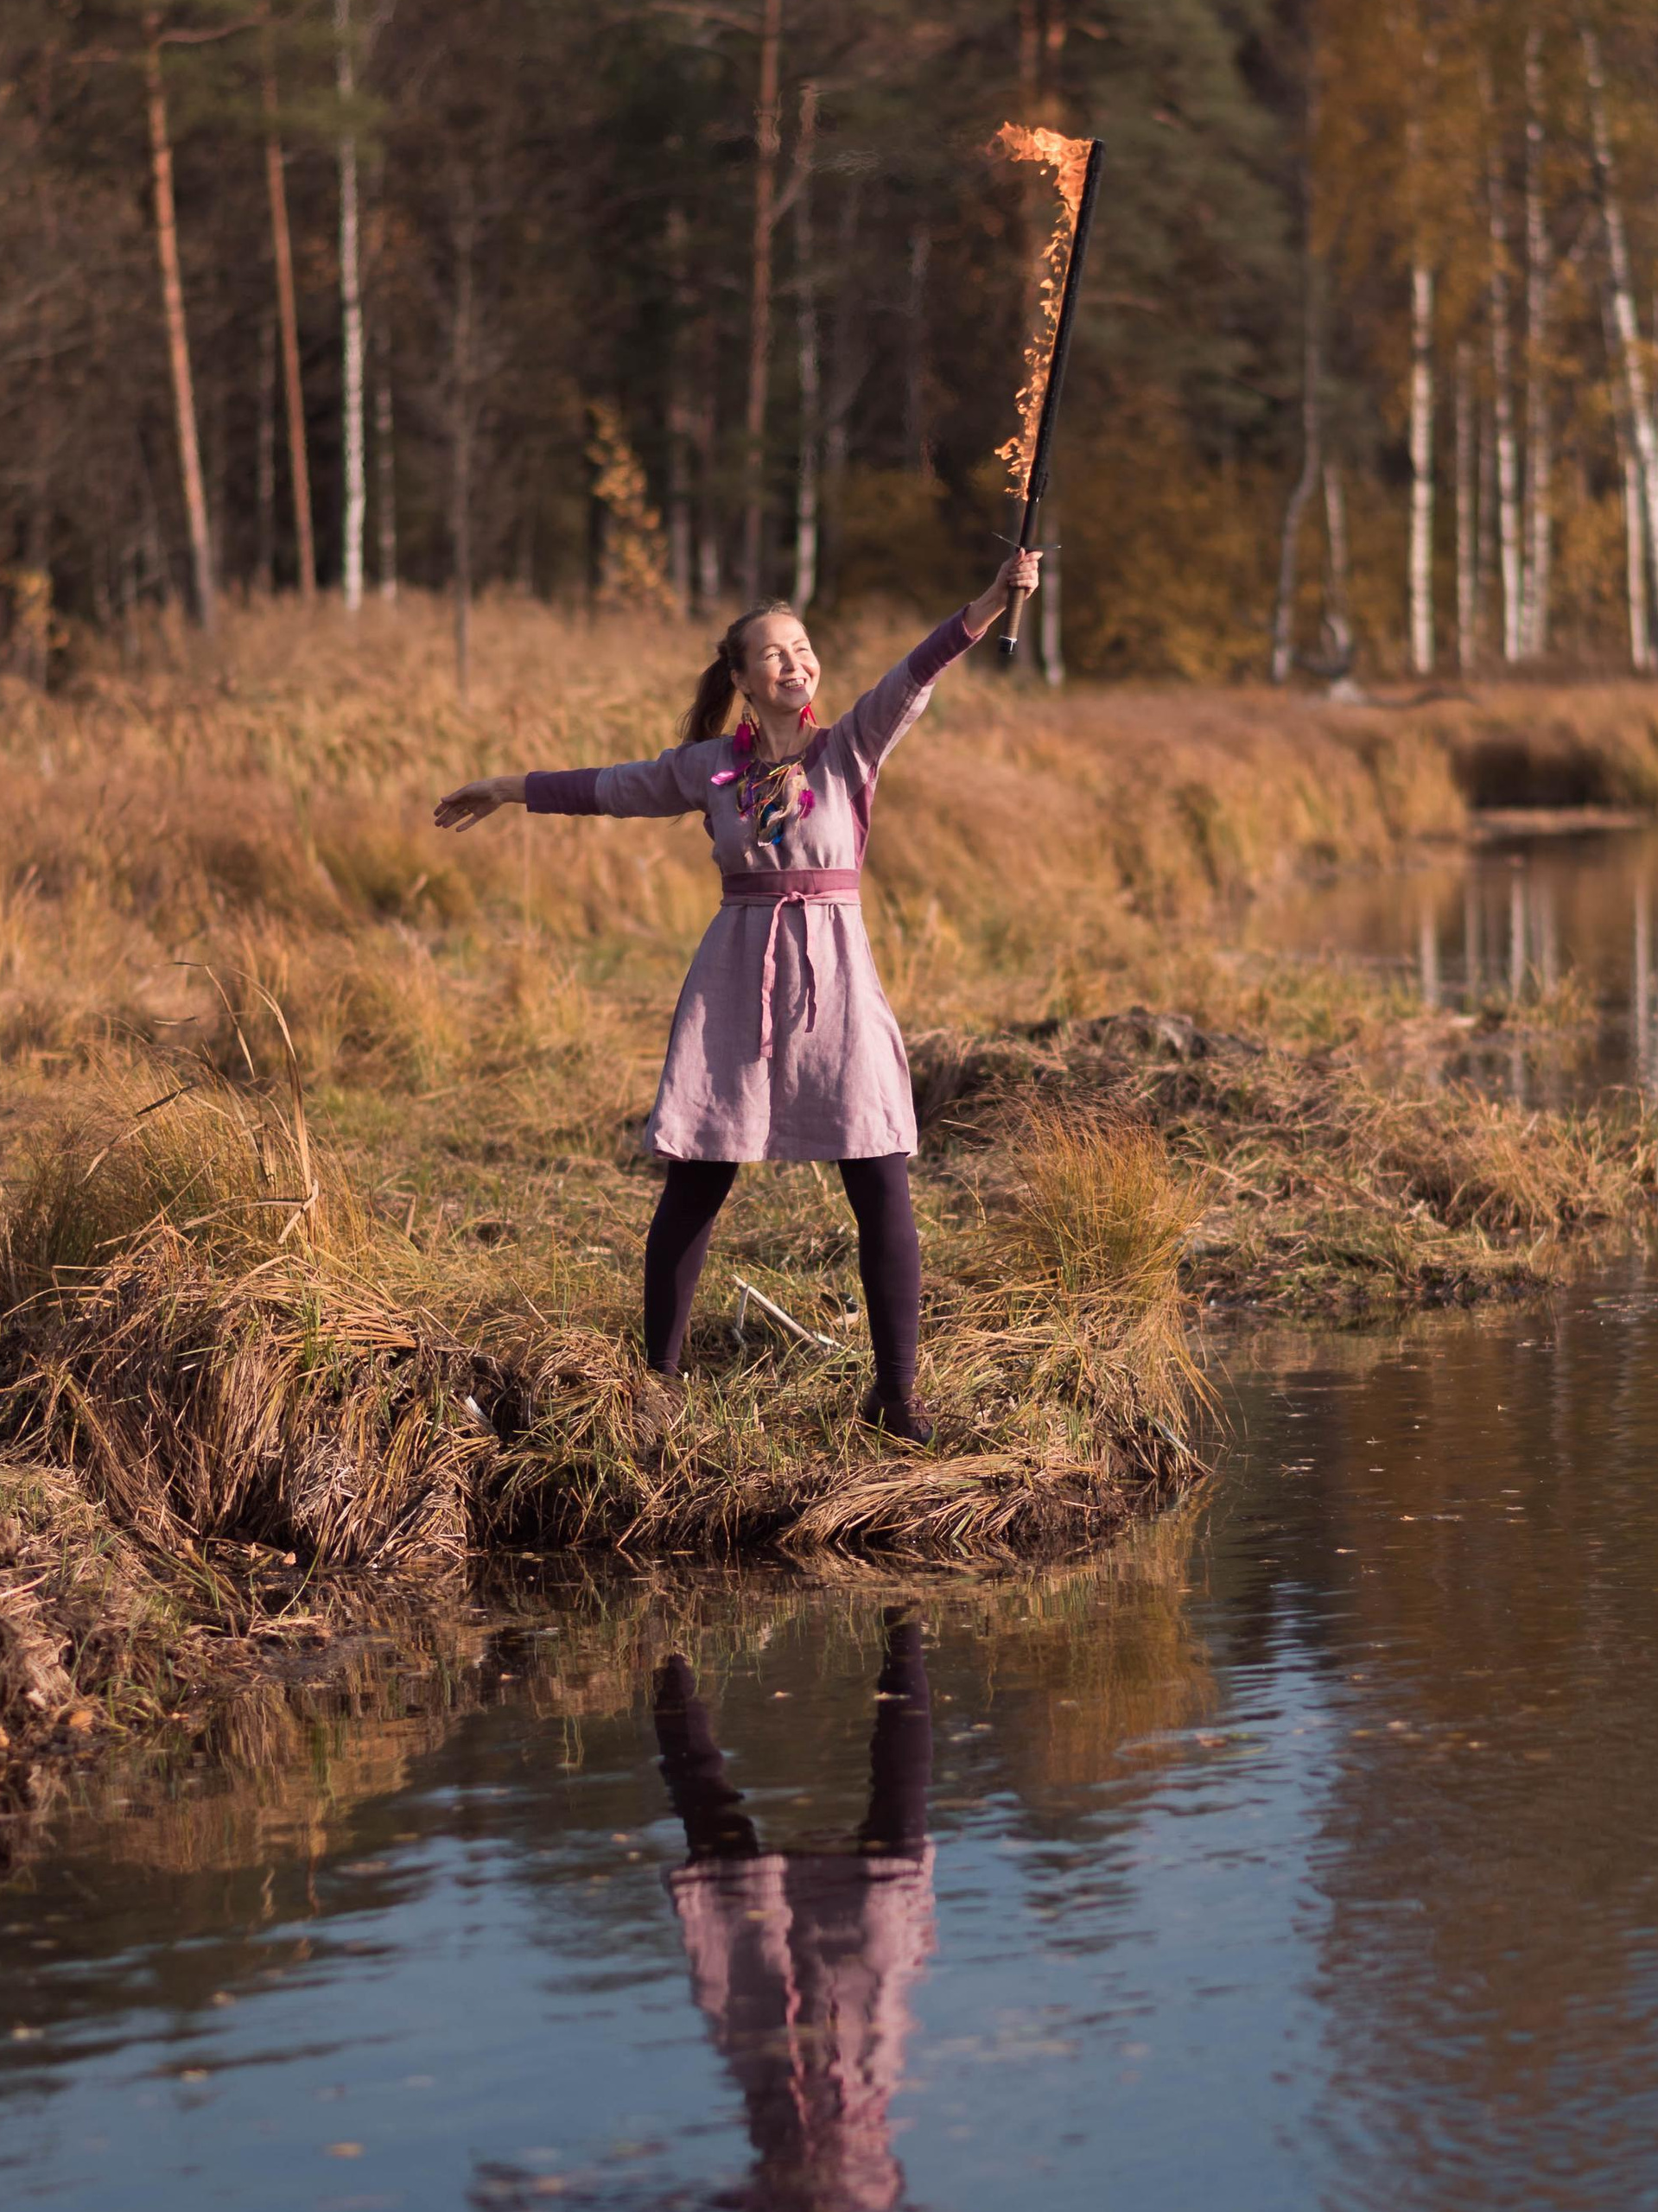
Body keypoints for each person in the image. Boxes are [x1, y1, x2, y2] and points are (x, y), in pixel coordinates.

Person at [434, 551, 1043, 1445]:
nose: (794, 663)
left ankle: (897, 1397)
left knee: (880, 1176)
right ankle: (658, 1387)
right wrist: (507, 788)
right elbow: (612, 787)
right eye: (773, 654)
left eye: (803, 647)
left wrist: (989, 601)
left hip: (834, 977)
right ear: (742, 679)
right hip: (734, 978)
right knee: (698, 1175)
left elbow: (915, 674)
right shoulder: (710, 767)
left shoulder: (852, 745)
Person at [651, 1616, 935, 2212]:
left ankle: (663, 1642)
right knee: (893, 1852)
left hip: (773, 2070)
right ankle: (905, 1621)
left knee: (719, 1845)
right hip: (859, 2062)